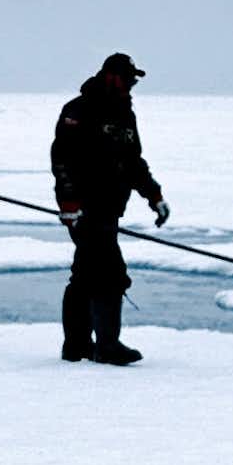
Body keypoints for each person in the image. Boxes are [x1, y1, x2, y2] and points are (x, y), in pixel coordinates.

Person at [53, 52, 169, 365]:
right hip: (83, 209)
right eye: (130, 78)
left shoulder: (124, 114)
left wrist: (154, 196)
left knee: (86, 274)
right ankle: (106, 345)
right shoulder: (78, 110)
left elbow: (133, 163)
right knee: (110, 273)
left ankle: (76, 346)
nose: (133, 84)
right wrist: (68, 203)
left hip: (109, 209)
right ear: (114, 77)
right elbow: (61, 159)